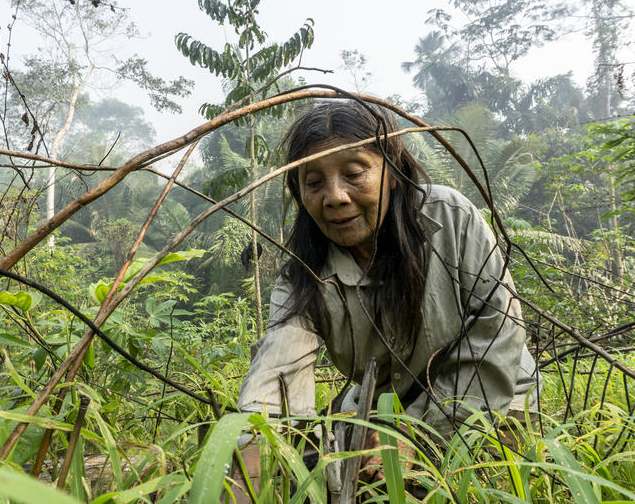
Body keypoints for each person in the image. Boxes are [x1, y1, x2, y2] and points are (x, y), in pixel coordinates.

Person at [229, 99, 538, 499]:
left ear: (392, 171)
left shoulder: (451, 219)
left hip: (494, 397)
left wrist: (418, 433)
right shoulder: (304, 273)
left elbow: (496, 341)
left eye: (354, 173)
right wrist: (254, 444)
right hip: (381, 408)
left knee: (434, 485)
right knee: (316, 477)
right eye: (314, 182)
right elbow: (279, 365)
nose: (335, 197)